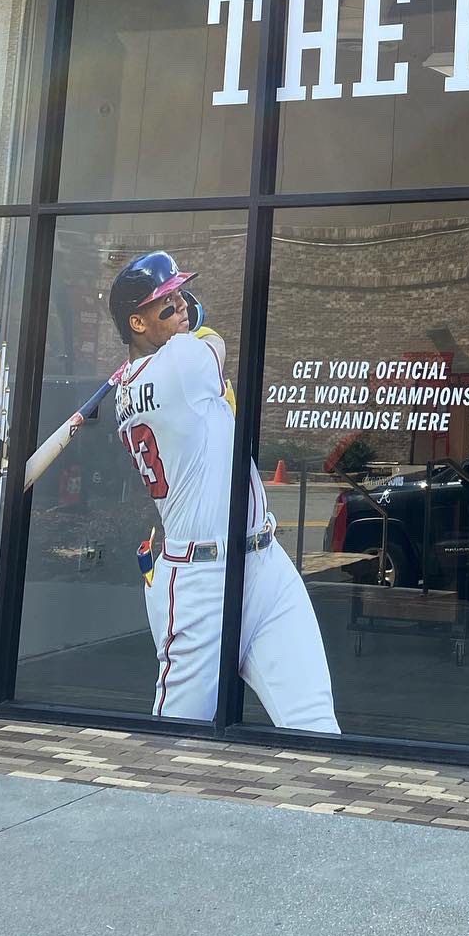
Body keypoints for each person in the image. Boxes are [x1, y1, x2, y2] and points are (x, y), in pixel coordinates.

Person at [108, 252, 339, 733]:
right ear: (136, 322)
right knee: (177, 745)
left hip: (263, 563)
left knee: (315, 726)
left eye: (178, 295)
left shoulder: (124, 393)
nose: (180, 307)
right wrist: (191, 322)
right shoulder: (184, 360)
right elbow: (211, 340)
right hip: (198, 582)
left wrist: (171, 320)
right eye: (165, 305)